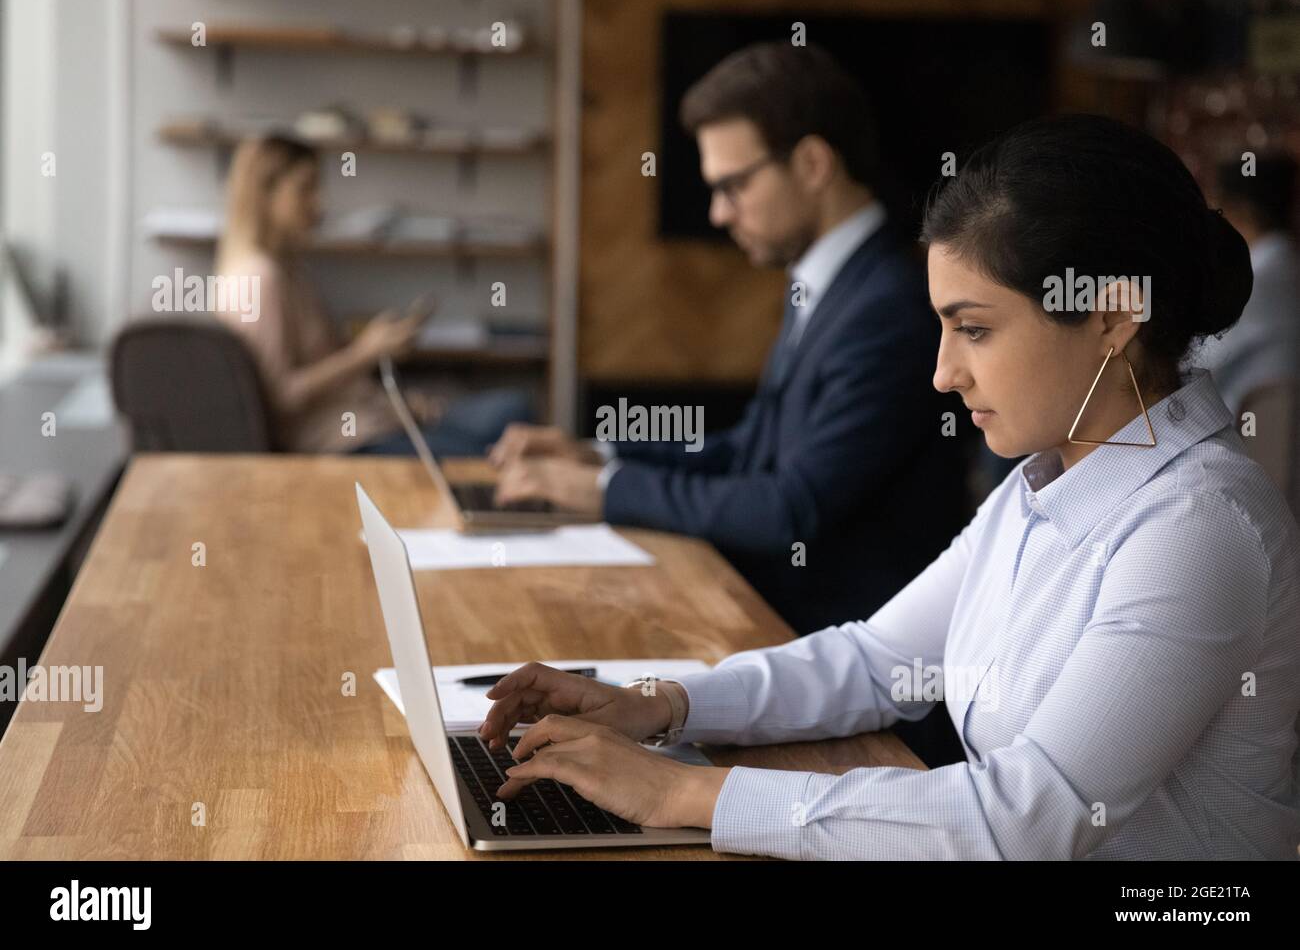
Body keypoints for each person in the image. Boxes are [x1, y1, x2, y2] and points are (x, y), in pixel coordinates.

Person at [477, 114, 1300, 860]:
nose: (944, 373)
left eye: (975, 329)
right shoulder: (1044, 482)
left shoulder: (1198, 527)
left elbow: (1028, 818)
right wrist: (656, 705)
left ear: (1114, 314)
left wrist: (680, 791)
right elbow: (878, 661)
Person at [489, 43, 968, 641]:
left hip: (833, 646)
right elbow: (751, 450)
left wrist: (603, 491)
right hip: (774, 617)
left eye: (733, 185)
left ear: (814, 163)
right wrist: (601, 456)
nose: (718, 213)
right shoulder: (833, 281)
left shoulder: (891, 305)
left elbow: (790, 507)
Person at [213, 135, 531, 455]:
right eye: (305, 188)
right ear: (264, 195)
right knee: (507, 438)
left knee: (512, 410)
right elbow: (278, 398)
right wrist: (365, 352)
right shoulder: (260, 278)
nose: (319, 202)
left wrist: (398, 403)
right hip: (343, 442)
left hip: (370, 418)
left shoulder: (287, 270)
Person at [1199, 153, 1299, 418]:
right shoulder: (1282, 263)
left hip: (1255, 432)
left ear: (1239, 209)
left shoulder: (1263, 278)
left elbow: (1199, 360)